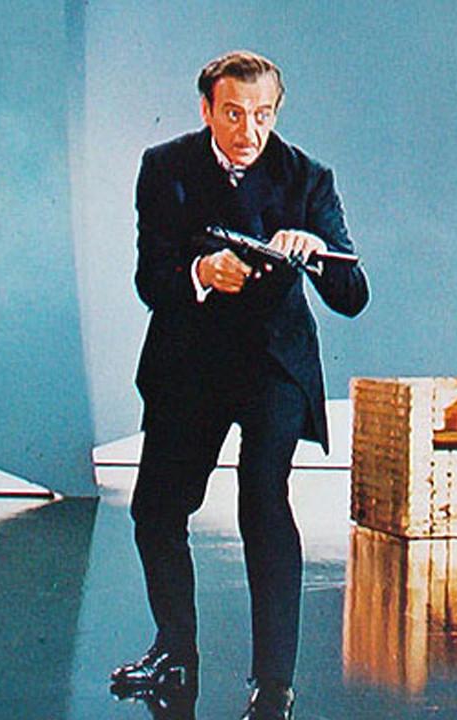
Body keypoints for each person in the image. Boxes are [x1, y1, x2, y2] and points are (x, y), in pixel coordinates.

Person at [111, 50, 368, 720]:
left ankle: (274, 684)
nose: (248, 131)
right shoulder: (165, 167)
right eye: (232, 114)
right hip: (189, 363)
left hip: (273, 364)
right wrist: (201, 272)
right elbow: (150, 279)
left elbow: (354, 294)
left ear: (275, 112)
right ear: (206, 110)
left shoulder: (309, 177)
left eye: (261, 116)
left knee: (263, 498)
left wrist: (314, 251)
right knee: (156, 510)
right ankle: (174, 653)